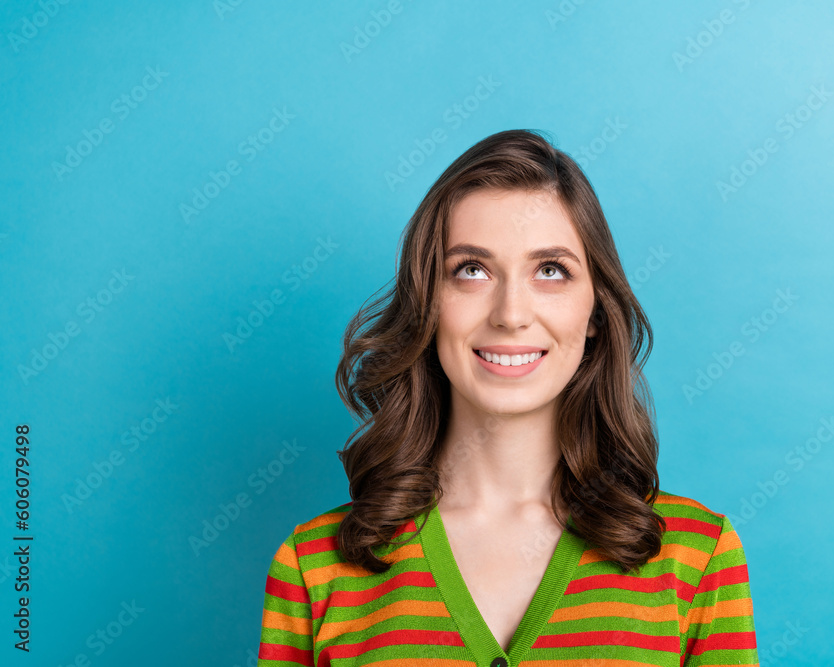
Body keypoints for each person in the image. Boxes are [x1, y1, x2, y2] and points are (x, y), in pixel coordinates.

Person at [255, 129, 759, 666]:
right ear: (428, 304)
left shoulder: (697, 557)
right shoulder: (313, 567)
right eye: (471, 270)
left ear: (594, 312)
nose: (511, 313)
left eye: (550, 271)